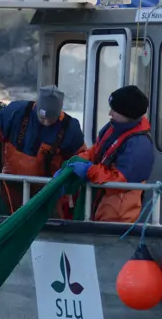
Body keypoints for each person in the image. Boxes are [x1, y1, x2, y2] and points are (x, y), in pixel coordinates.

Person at [0, 85, 86, 214]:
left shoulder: (70, 128)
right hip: (11, 187)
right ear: (36, 107)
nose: (45, 122)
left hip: (48, 192)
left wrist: (67, 175)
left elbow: (82, 156)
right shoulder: (16, 112)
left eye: (50, 119)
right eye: (41, 117)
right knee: (6, 220)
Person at [63, 85, 154, 222]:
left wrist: (89, 170)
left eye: (115, 110)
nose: (110, 113)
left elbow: (119, 181)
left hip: (118, 217)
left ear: (127, 114)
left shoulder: (139, 145)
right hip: (99, 208)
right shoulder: (113, 127)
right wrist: (77, 161)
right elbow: (97, 150)